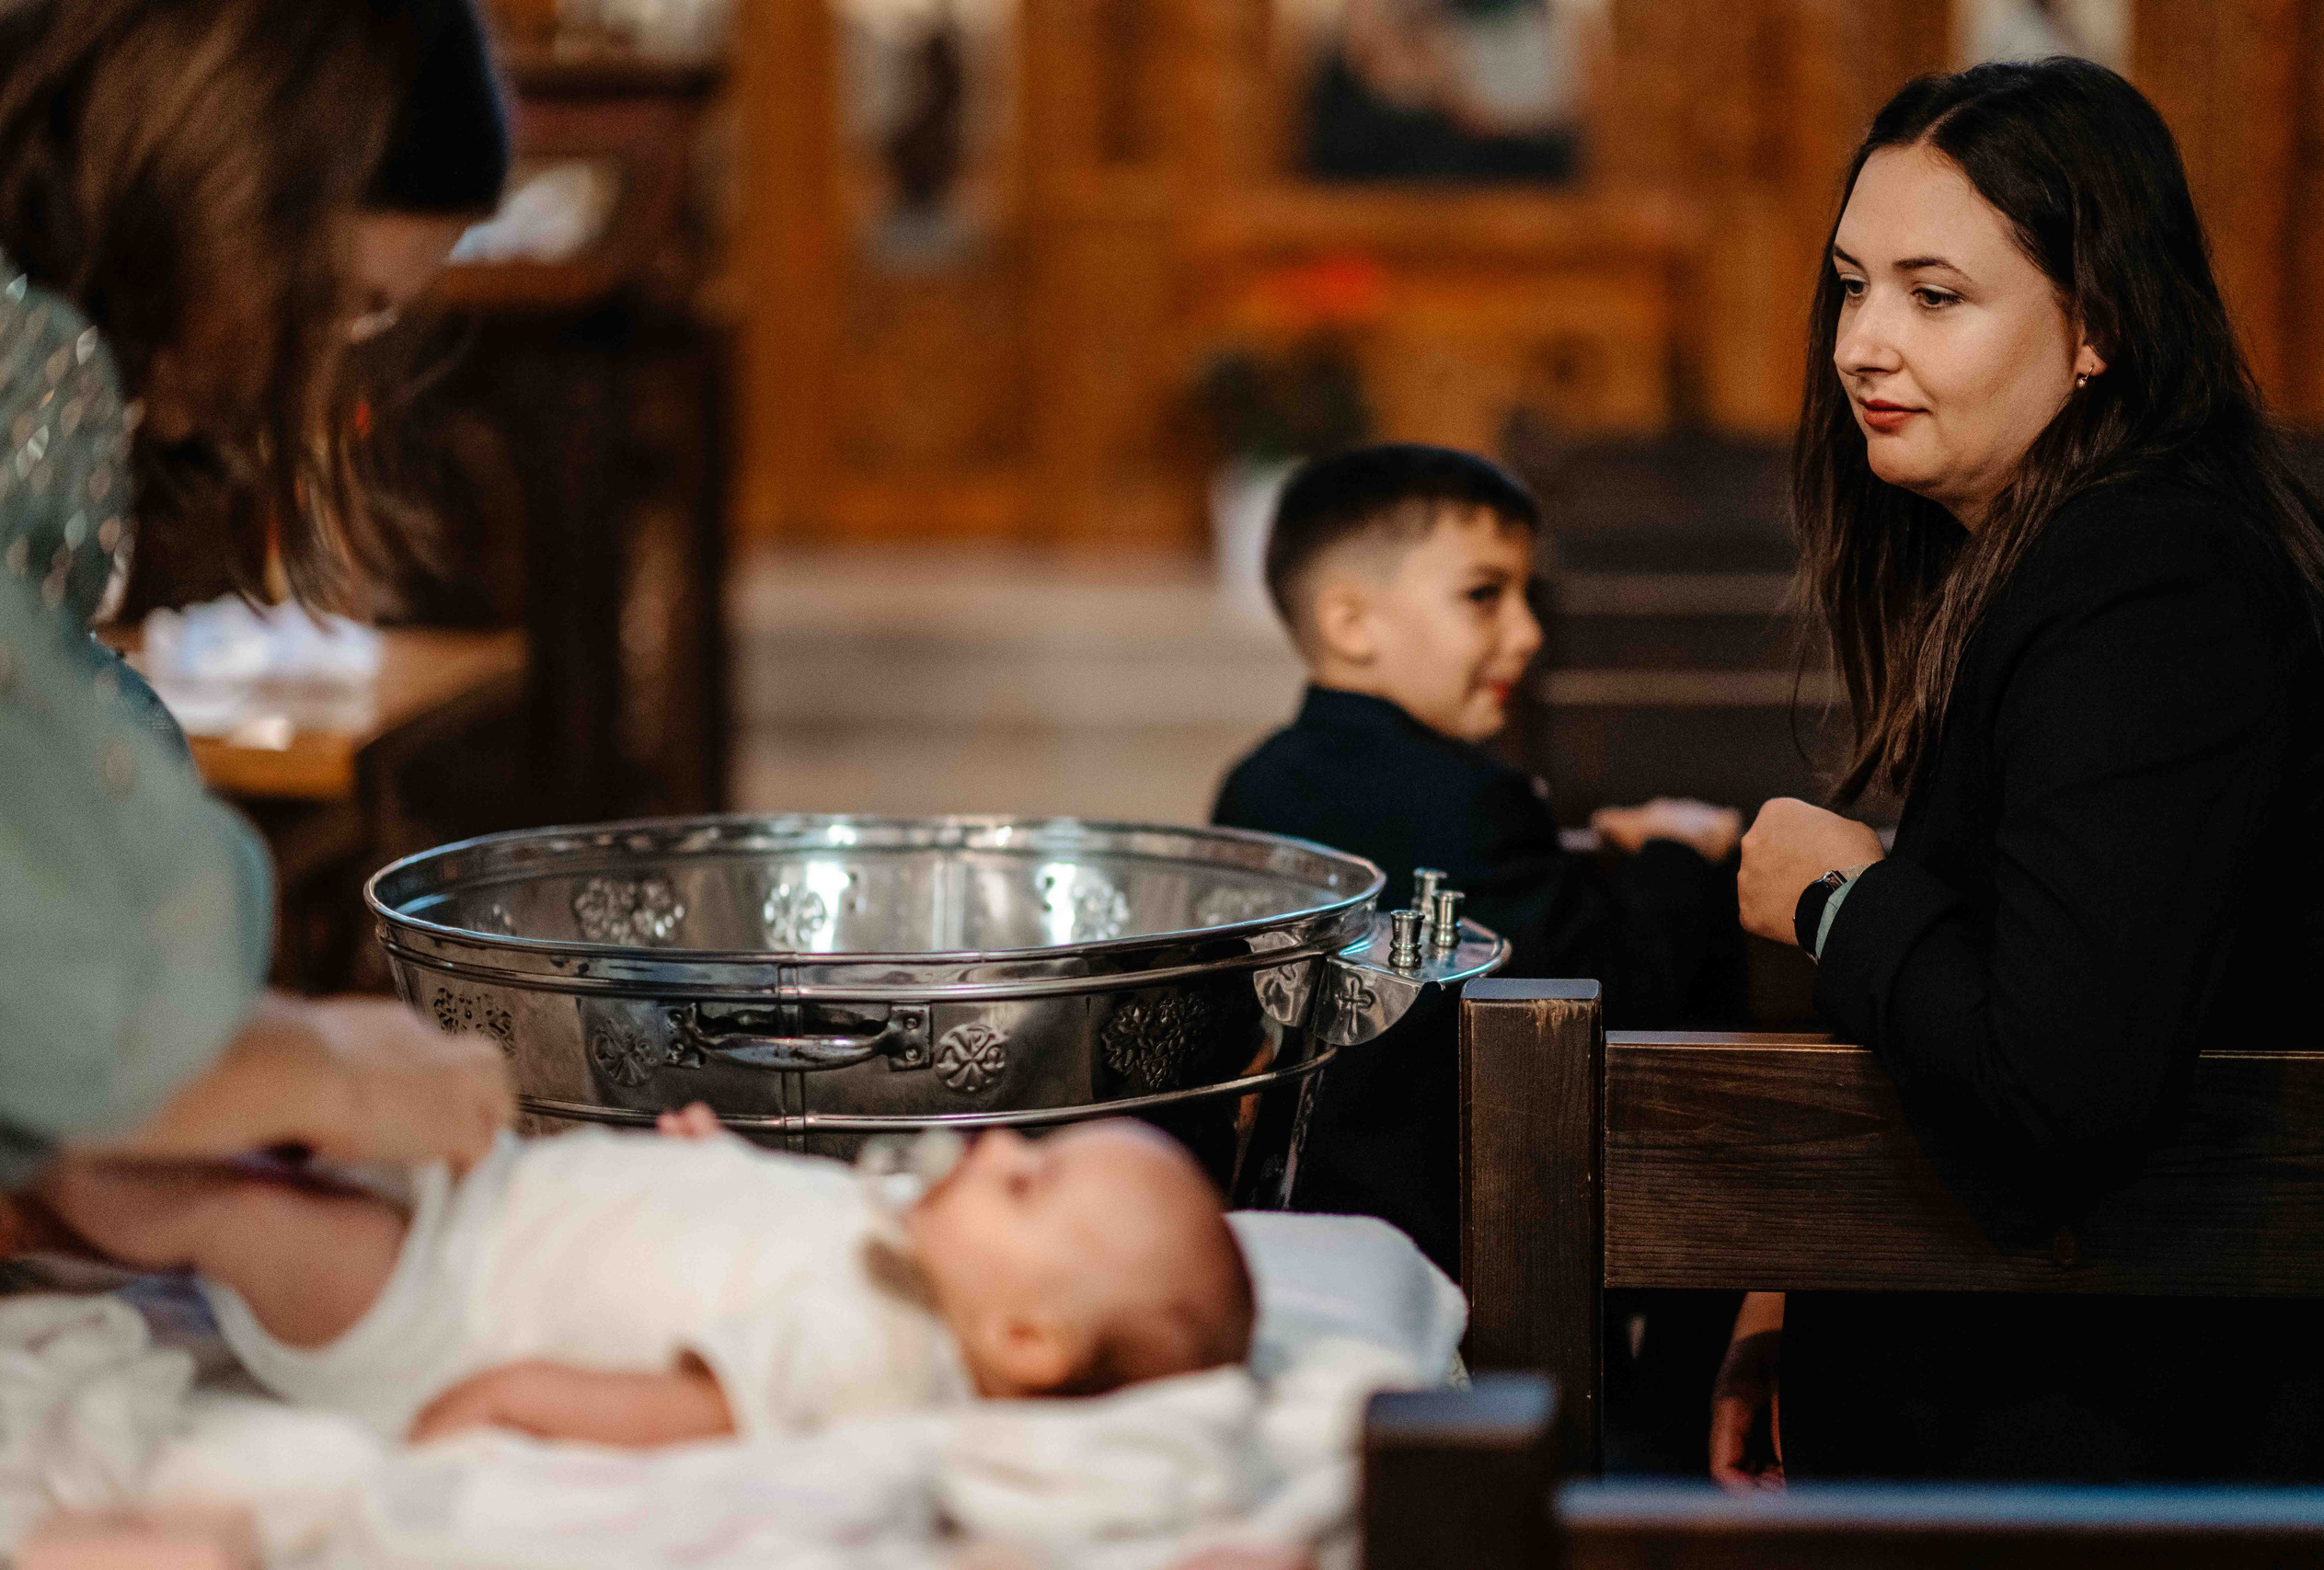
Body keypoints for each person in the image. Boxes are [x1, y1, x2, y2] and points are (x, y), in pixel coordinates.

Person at [1718, 58, 2324, 1483]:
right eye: (1850, 283)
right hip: (2085, 1349)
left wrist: (1837, 898)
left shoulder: (2154, 586)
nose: (1862, 345)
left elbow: (2057, 1088)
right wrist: (1793, 1255)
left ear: (2098, 328)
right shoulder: (2081, 546)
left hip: (2167, 1423)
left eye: (1934, 297)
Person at [0, 0, 514, 1226]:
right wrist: (325, 1081)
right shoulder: (35, 365)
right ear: (241, 176)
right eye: (336, 300)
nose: (324, 370)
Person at [1213, 443, 1743, 1277]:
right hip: (1456, 1250)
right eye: (1484, 595)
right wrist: (1675, 852)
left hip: (1287, 1221)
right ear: (1351, 622)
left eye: (1527, 597)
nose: (1527, 634)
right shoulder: (1472, 801)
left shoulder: (1252, 784)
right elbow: (1611, 992)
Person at [36, 1112, 1257, 1446]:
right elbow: (771, 1220)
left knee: (234, 1207)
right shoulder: (904, 1242)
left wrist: (504, 1396)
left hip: (433, 1313)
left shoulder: (873, 1353)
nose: (993, 1144)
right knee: (257, 1135)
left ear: (1028, 1340)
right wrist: (712, 1162)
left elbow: (683, 1403)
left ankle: (46, 1165)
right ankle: (48, 1177)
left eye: (1027, 1183)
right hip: (489, 1195)